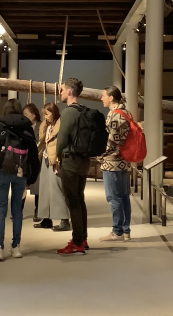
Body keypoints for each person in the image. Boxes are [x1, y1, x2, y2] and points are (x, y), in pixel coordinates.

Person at [0, 99, 40, 262]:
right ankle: (16, 247)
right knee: (17, 210)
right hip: (20, 172)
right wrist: (32, 177)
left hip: (2, 170)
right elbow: (33, 155)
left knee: (1, 208)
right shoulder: (26, 125)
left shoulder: (1, 124)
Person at [55, 78, 91, 255]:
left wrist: (57, 157)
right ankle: (82, 238)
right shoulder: (84, 110)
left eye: (62, 89)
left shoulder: (69, 112)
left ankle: (77, 242)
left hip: (70, 161)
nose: (60, 92)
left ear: (69, 92)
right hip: (84, 161)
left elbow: (62, 139)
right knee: (79, 199)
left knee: (72, 201)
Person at [98, 86, 132, 242]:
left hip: (112, 162)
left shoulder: (114, 115)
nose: (101, 98)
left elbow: (112, 141)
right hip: (123, 161)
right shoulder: (126, 112)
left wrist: (101, 155)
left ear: (111, 98)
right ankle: (125, 230)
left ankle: (117, 231)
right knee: (124, 196)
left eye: (103, 95)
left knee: (114, 197)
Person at [34, 102, 71, 231]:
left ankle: (64, 220)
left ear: (53, 113)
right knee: (44, 190)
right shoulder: (47, 126)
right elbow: (42, 140)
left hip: (55, 160)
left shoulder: (60, 125)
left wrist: (58, 161)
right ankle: (46, 219)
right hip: (45, 158)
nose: (45, 116)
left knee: (57, 189)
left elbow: (62, 144)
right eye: (44, 114)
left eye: (47, 114)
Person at [22, 103, 42, 222]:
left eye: (26, 114)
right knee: (22, 186)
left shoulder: (41, 126)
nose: (24, 116)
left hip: (37, 159)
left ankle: (38, 211)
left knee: (37, 187)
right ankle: (18, 211)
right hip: (24, 159)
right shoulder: (23, 127)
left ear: (34, 115)